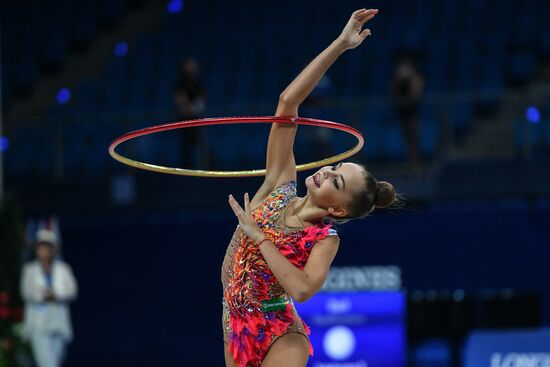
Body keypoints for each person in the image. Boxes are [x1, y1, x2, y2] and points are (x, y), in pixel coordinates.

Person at [221, 8, 396, 367]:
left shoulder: (326, 238)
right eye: (334, 167)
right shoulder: (279, 184)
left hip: (282, 335)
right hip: (235, 325)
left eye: (337, 181)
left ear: (338, 209)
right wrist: (340, 45)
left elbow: (302, 289)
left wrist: (259, 237)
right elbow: (287, 103)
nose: (326, 172)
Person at [20, 229, 77, 367]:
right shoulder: (30, 270)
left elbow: (72, 291)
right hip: (39, 326)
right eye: (42, 247)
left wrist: (55, 294)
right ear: (37, 250)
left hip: (58, 324)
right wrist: (43, 295)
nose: (45, 251)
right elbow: (26, 292)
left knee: (54, 363)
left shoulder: (63, 269)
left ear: (54, 250)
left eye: (48, 248)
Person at [391, 52, 425, 174]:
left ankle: (416, 166)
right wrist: (399, 78)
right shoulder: (398, 74)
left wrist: (411, 77)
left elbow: (417, 91)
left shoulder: (416, 75)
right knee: (407, 139)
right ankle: (411, 165)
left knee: (414, 139)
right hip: (403, 111)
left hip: (413, 111)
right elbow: (394, 90)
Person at [173, 58, 208, 167]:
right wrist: (188, 109)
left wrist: (194, 109)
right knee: (185, 149)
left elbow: (202, 101)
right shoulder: (179, 84)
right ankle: (186, 171)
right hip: (183, 122)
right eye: (189, 65)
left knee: (200, 146)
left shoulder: (198, 84)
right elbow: (180, 102)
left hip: (197, 121)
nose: (192, 68)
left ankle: (204, 167)